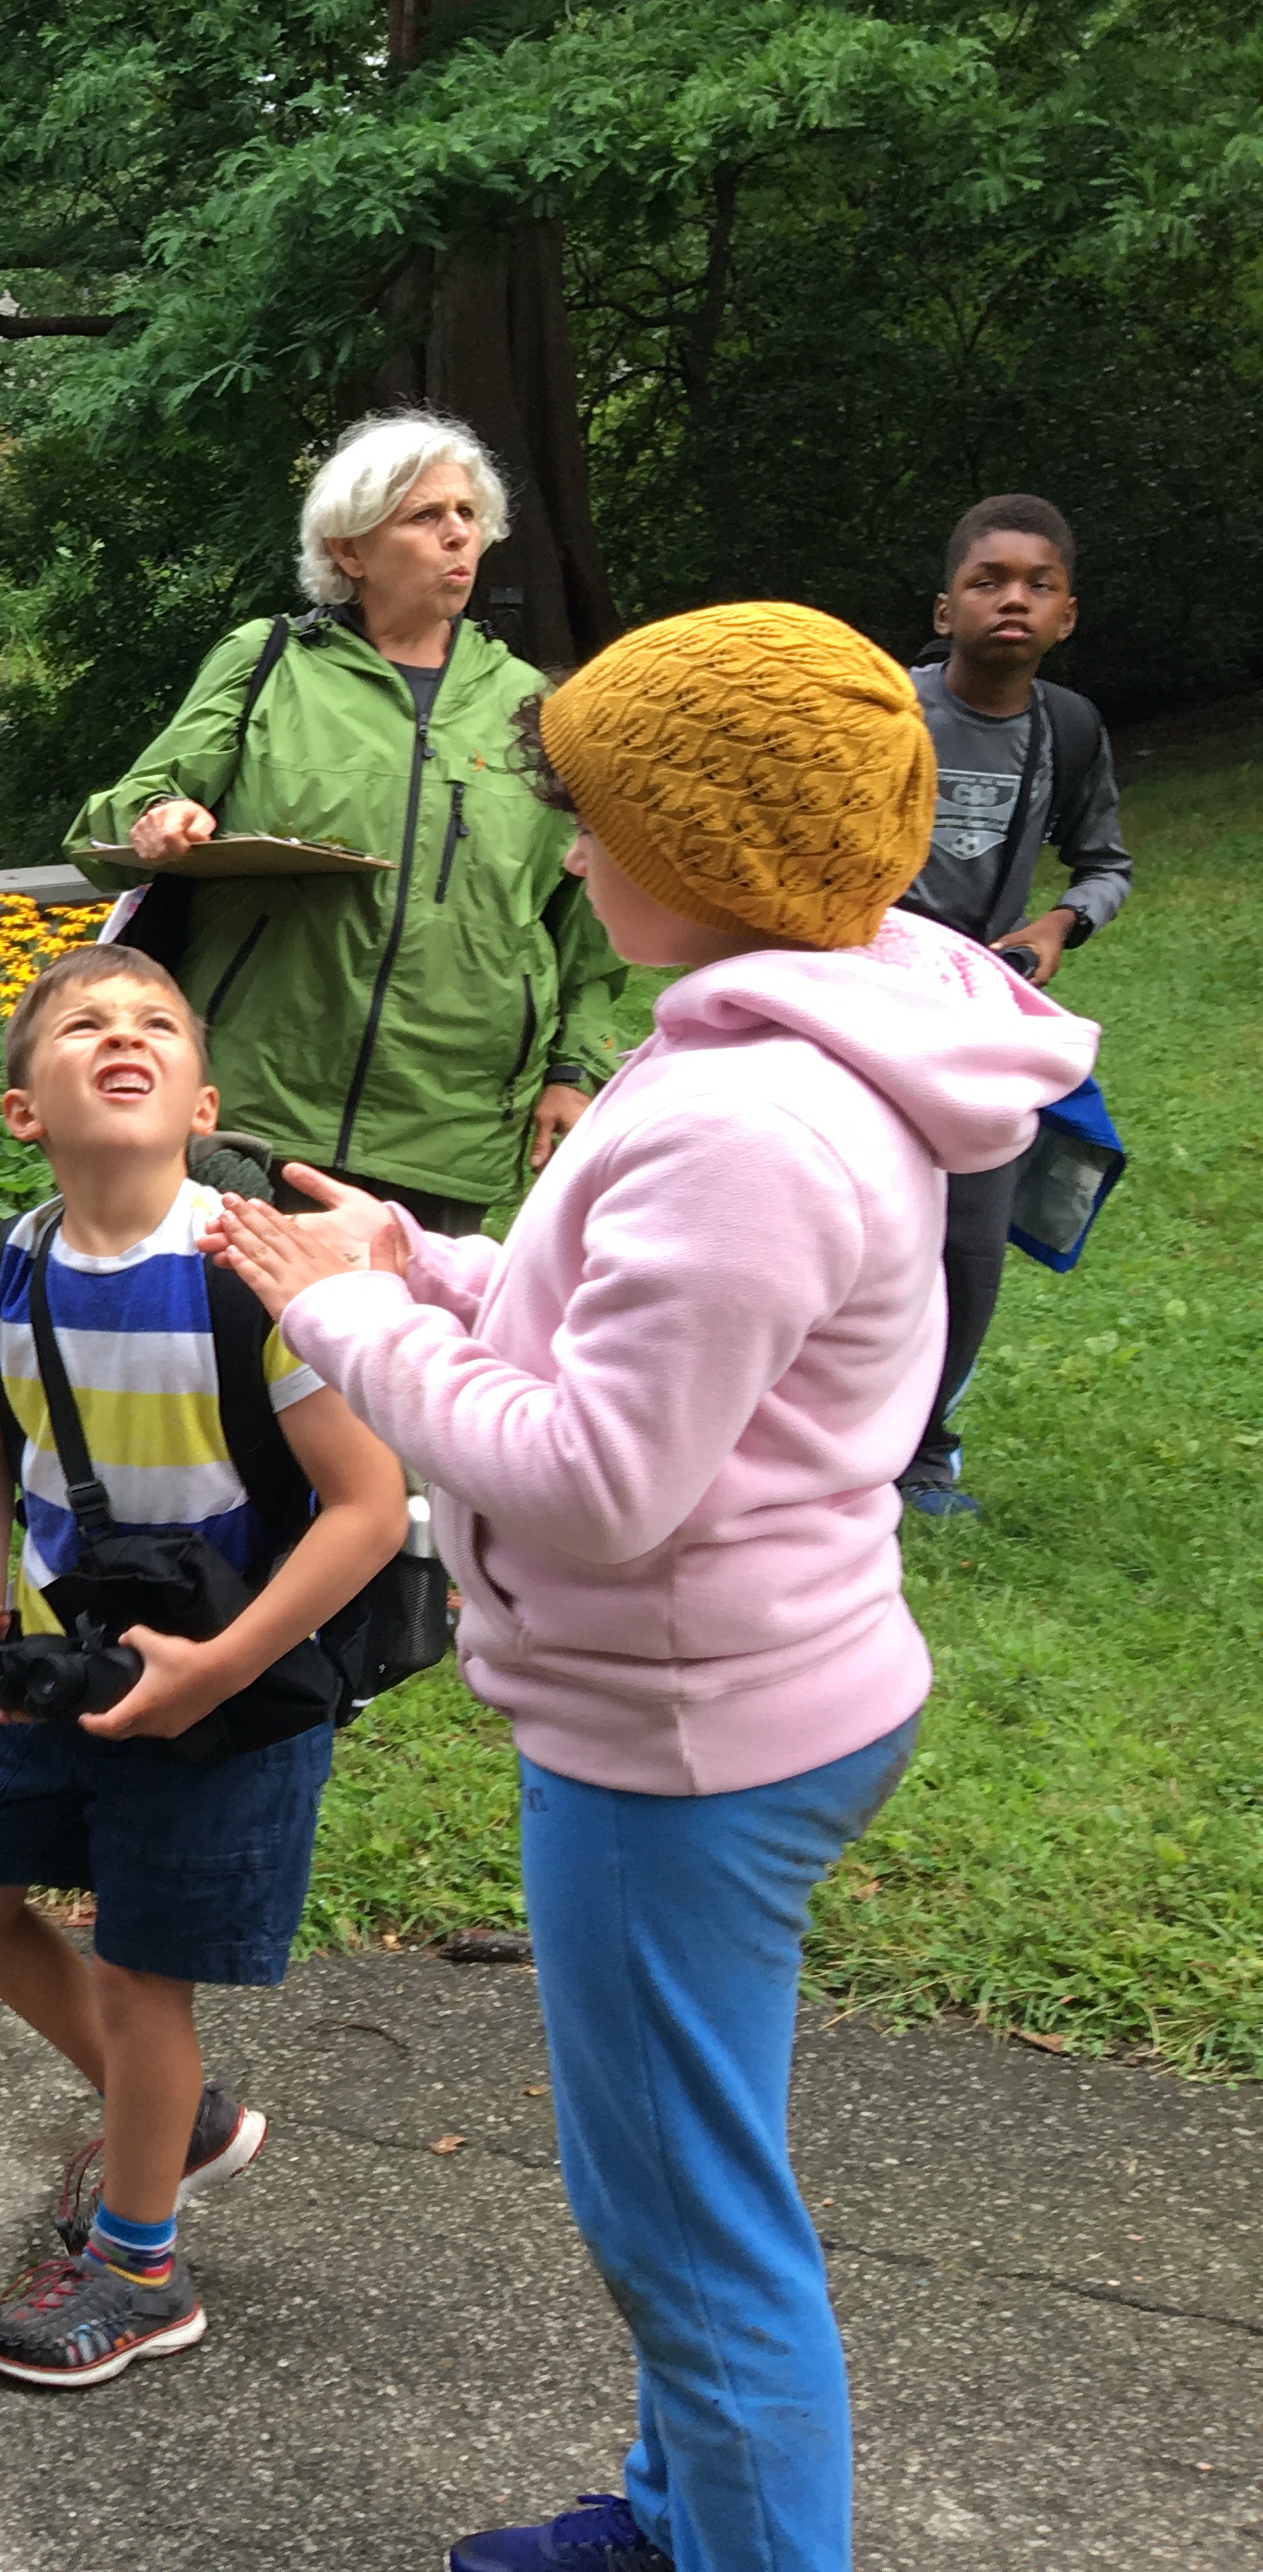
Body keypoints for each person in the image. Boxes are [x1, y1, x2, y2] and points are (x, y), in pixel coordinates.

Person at [205, 604, 1094, 2572]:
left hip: (685, 1748)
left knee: (690, 2233)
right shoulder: (789, 1032)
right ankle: (681, 2517)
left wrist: (351, 1323)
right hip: (750, 1693)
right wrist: (422, 1255)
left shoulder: (752, 1125)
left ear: (714, 847)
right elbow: (615, 1318)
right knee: (692, 2184)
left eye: (597, 816)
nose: (571, 849)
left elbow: (599, 1480)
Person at [0, 944, 408, 2388]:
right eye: (82, 1025)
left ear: (201, 1101)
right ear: (20, 1109)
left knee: (142, 1977)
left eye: (155, 1027)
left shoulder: (249, 1271)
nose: (121, 1039)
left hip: (236, 1679)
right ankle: (168, 2121)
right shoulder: (11, 1263)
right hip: (63, 1650)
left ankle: (138, 2271)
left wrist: (220, 1665)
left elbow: (369, 1509)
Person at [67, 411, 623, 1233]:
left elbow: (583, 914)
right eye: (424, 516)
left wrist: (574, 1067)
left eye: (468, 515)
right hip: (258, 1103)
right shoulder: (269, 665)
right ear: (349, 551)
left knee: (410, 1355)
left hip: (450, 1118)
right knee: (242, 1350)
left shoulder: (529, 708)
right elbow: (109, 824)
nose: (457, 536)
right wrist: (155, 819)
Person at [890, 493, 1130, 1519]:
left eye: (1038, 585)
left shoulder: (1068, 728)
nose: (1013, 600)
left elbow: (1106, 865)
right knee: (859, 1225)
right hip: (867, 1000)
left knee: (968, 1244)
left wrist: (1056, 928)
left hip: (982, 1024)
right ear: (945, 610)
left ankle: (926, 1450)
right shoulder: (886, 707)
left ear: (1068, 615)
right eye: (988, 582)